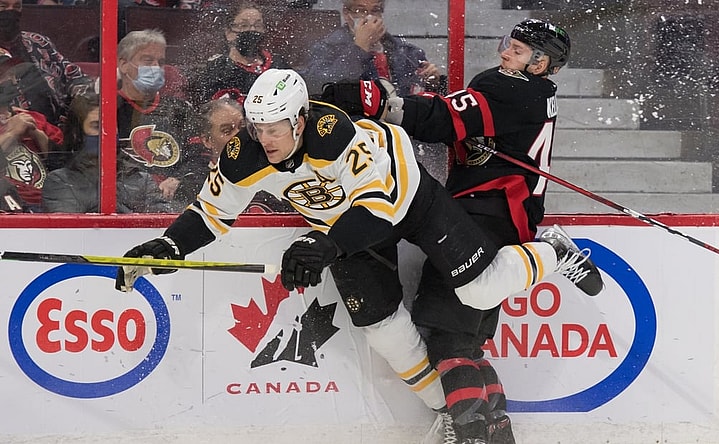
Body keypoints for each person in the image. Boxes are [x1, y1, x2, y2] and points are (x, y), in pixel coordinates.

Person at [113, 68, 602, 434]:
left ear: (301, 120)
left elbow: (376, 209)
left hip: (408, 203)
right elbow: (209, 214)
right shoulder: (244, 156)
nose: (267, 140)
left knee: (481, 289)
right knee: (381, 330)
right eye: (258, 127)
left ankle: (553, 252)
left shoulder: (338, 136)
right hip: (339, 230)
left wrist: (320, 243)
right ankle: (447, 413)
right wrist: (167, 245)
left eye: (277, 128)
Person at [320, 18, 574, 444]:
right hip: (507, 221)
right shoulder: (535, 92)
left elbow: (441, 120)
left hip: (482, 220)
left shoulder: (509, 87)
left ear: (541, 63)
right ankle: (496, 430)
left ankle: (470, 432)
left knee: (443, 336)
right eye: (506, 43)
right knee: (467, 341)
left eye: (518, 49)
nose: (505, 52)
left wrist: (376, 102)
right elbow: (466, 120)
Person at [117, 29, 210, 212]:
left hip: (179, 202)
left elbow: (201, 157)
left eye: (160, 62)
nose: (155, 68)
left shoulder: (179, 109)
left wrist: (179, 179)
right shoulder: (107, 109)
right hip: (126, 203)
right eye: (147, 60)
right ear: (124, 65)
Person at [41, 92, 172, 213]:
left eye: (110, 125)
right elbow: (73, 230)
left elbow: (161, 224)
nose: (105, 132)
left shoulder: (141, 180)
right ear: (77, 134)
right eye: (96, 126)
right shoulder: (60, 181)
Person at [300, 0, 444, 97]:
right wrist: (360, 47)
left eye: (375, 10)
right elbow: (319, 87)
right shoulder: (327, 48)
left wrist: (433, 84)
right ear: (346, 13)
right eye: (360, 10)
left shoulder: (407, 51)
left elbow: (423, 101)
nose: (368, 17)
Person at [0, 0, 94, 127]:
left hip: (56, 131)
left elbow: (73, 76)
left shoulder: (38, 43)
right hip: (11, 135)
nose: (11, 12)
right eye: (3, 6)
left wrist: (89, 95)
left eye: (17, 6)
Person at [196, 96, 293, 213]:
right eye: (227, 131)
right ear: (207, 140)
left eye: (242, 127)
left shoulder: (281, 170)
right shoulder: (195, 182)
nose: (239, 136)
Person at [188, 1, 290, 107]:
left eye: (258, 25)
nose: (252, 30)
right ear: (229, 33)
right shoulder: (218, 70)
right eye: (244, 25)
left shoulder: (277, 64)